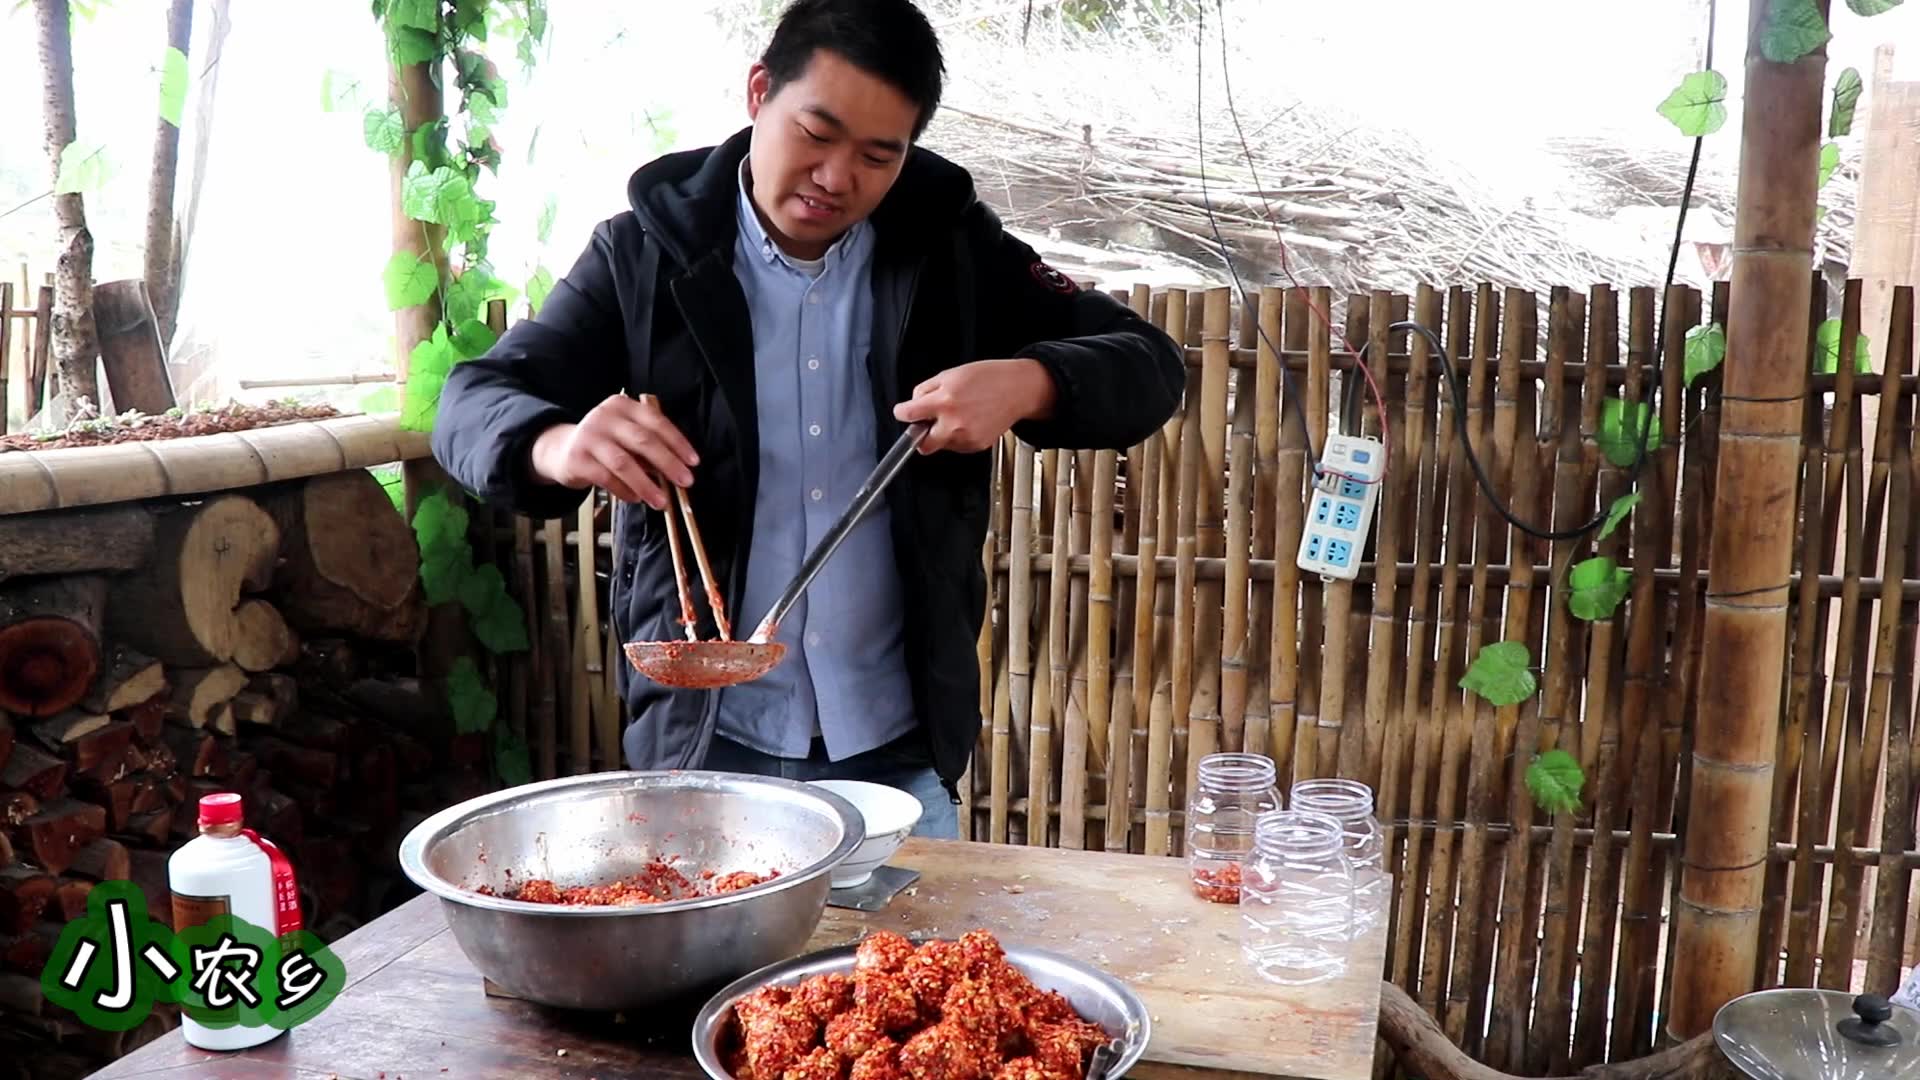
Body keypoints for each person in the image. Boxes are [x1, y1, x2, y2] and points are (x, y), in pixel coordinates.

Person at [430, 0, 1184, 839]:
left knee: (913, 972)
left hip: (898, 755)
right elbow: (470, 402)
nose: (836, 177)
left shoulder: (952, 254)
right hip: (708, 747)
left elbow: (1150, 364)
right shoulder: (645, 257)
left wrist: (1029, 383)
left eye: (876, 155)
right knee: (707, 976)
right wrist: (559, 444)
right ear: (759, 93)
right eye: (815, 133)